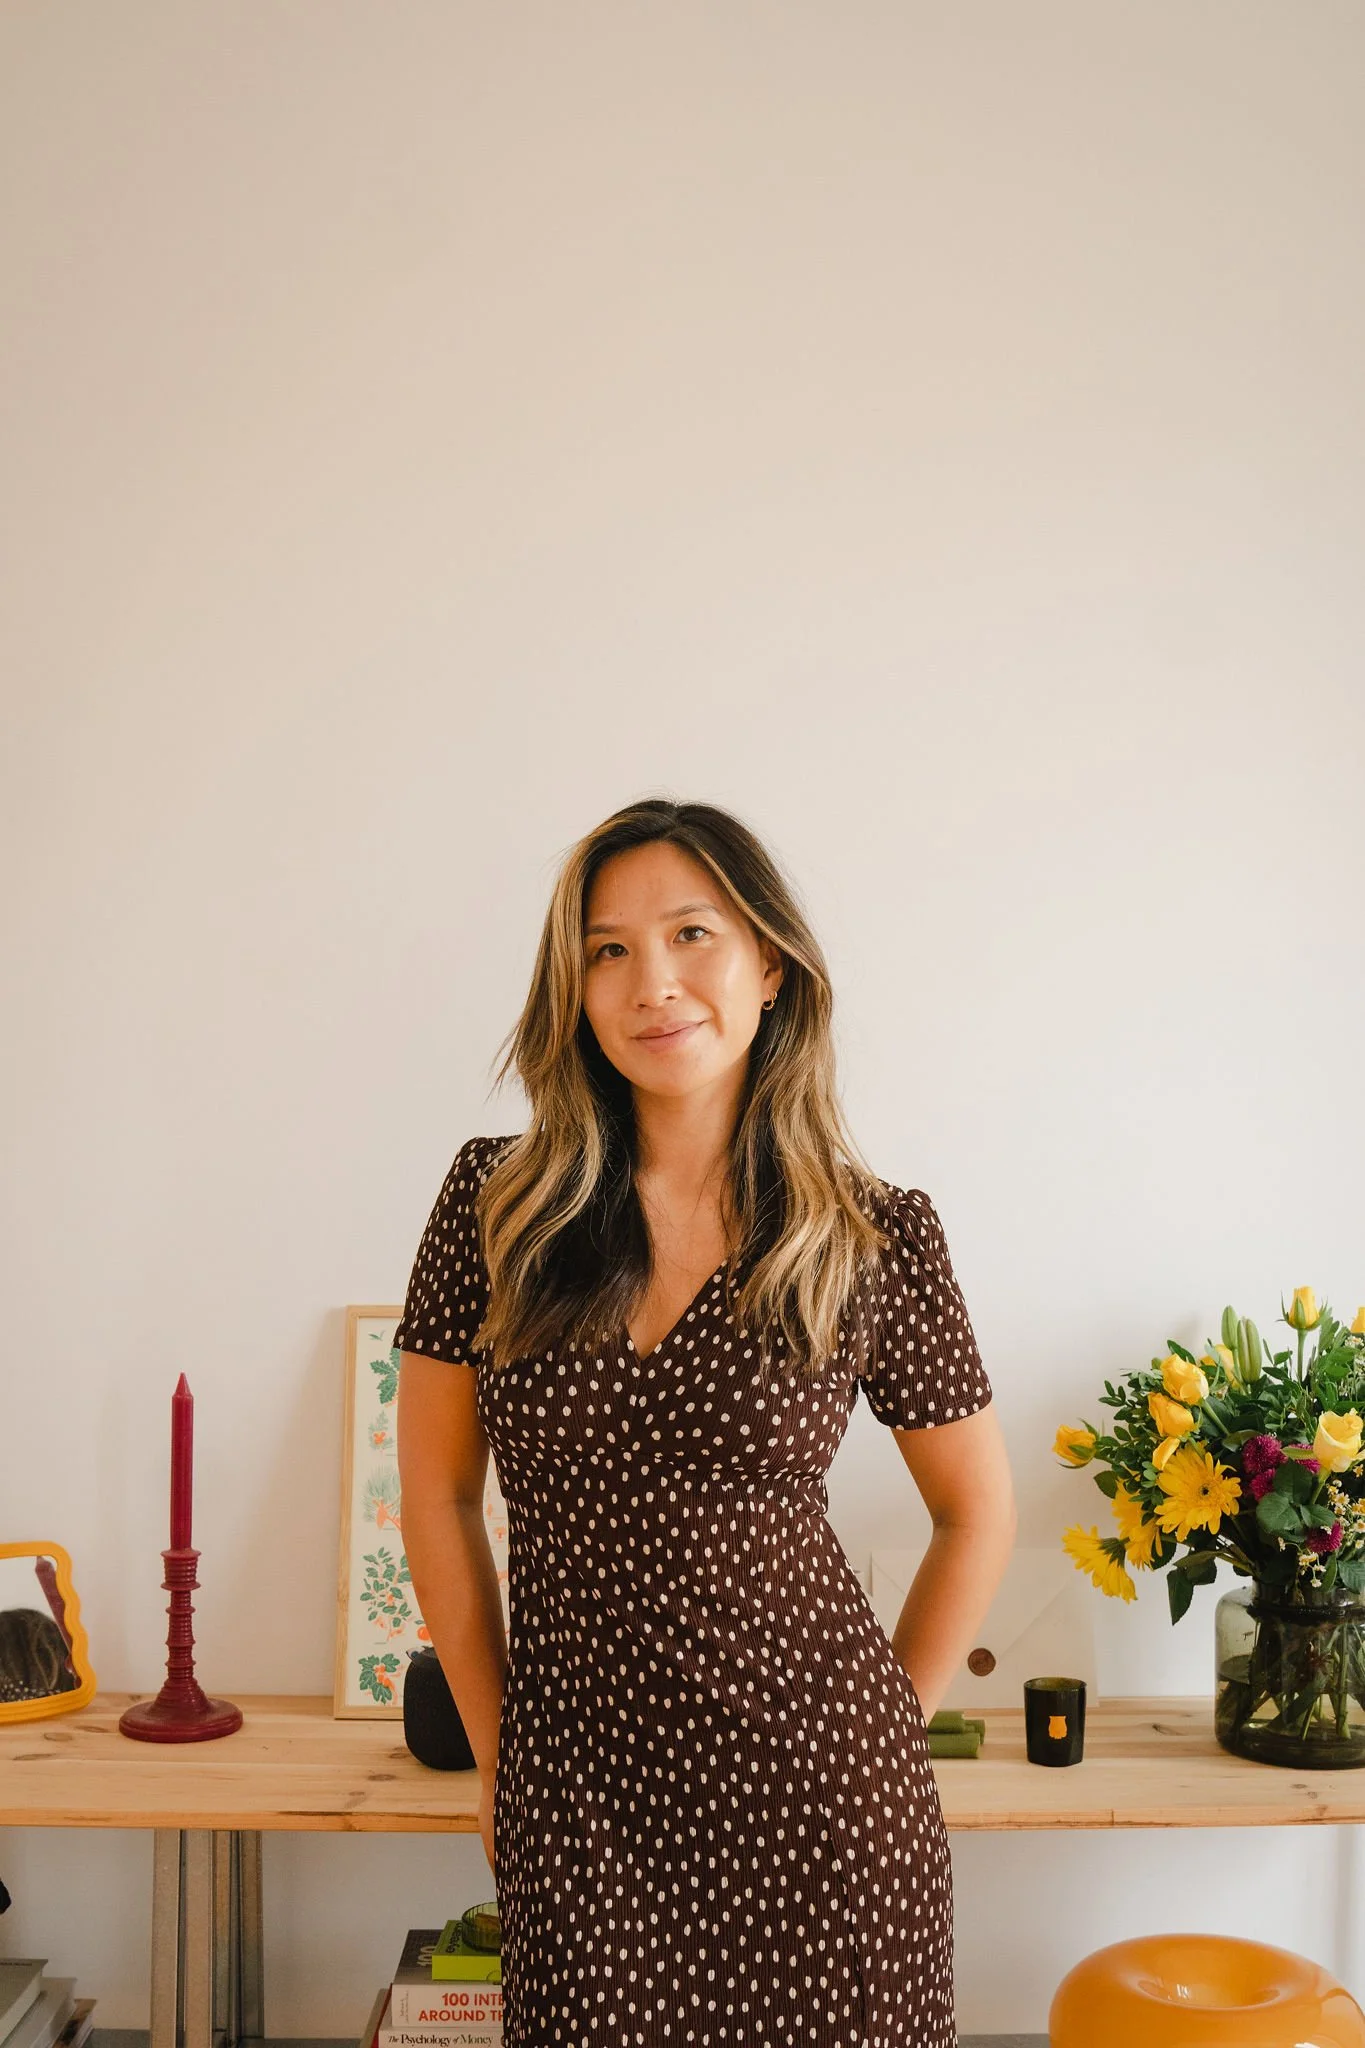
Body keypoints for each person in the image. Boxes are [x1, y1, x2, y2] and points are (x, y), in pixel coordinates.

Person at [395, 796, 1016, 2048]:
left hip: (824, 1805)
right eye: (610, 948)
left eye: (693, 934)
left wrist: (885, 1728)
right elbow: (439, 1498)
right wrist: (502, 1754)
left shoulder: (872, 1230)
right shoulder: (494, 1205)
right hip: (580, 1790)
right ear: (572, 985)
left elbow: (977, 1510)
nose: (653, 982)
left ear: (770, 963)